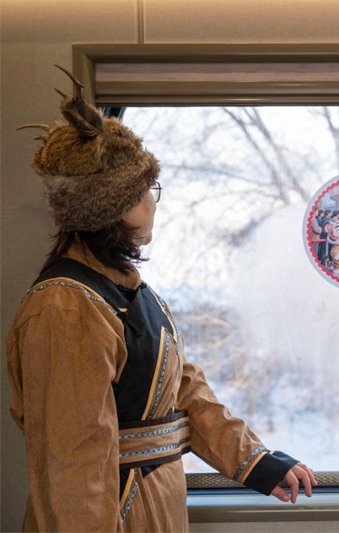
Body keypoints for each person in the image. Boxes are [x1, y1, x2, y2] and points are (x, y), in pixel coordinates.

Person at [7, 68, 317, 532]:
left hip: (152, 500)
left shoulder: (128, 290)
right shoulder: (66, 307)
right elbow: (72, 465)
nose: (155, 204)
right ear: (115, 206)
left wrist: (256, 462)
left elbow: (184, 392)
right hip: (116, 509)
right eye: (147, 191)